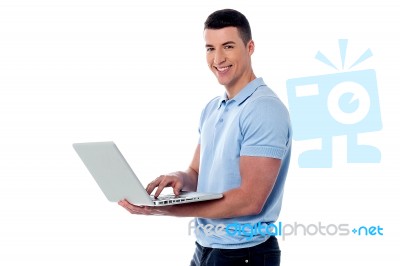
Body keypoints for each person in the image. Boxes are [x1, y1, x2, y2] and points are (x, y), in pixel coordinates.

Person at [118, 8, 292, 266]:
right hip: (206, 248)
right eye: (210, 48)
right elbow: (197, 175)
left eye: (228, 46)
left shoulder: (264, 108)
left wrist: (166, 209)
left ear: (250, 47)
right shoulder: (213, 108)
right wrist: (178, 178)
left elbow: (250, 201)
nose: (218, 58)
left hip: (244, 253)